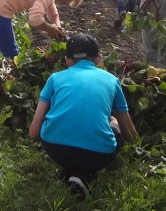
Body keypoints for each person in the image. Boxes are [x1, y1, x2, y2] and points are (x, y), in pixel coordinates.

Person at [28, 33, 139, 196]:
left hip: (55, 148)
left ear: (67, 60)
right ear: (99, 59)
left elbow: (33, 133)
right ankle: (85, 174)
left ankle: (71, 171)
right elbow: (130, 135)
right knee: (113, 121)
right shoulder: (112, 80)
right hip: (99, 153)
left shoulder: (55, 78)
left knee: (61, 129)